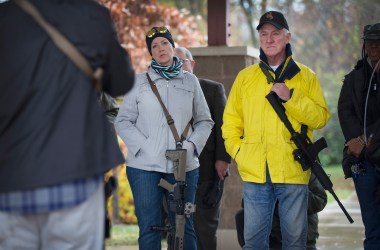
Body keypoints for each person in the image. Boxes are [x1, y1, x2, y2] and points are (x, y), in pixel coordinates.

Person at [0, 0, 135, 249]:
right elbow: (122, 81)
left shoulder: (4, 17)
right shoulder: (91, 15)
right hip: (75, 176)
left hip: (9, 180)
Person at [222, 10, 330, 249]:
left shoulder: (305, 77)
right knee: (253, 243)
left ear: (287, 37)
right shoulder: (245, 78)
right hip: (256, 174)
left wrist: (291, 97)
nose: (269, 39)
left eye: (276, 34)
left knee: (294, 243)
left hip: (292, 171)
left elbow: (320, 117)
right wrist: (240, 153)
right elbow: (230, 123)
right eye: (264, 34)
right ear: (259, 39)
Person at [115, 27, 214, 249]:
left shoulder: (190, 82)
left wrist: (191, 147)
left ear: (172, 46)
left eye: (164, 43)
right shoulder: (138, 82)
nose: (160, 48)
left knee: (184, 224)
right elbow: (122, 121)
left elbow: (205, 121)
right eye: (155, 46)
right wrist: (145, 147)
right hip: (144, 167)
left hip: (184, 166)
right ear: (150, 53)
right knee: (149, 228)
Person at [175, 47, 232, 250]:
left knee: (204, 227)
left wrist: (223, 159)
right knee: (177, 228)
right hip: (174, 172)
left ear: (192, 64)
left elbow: (225, 126)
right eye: (173, 62)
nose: (178, 66)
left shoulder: (212, 89)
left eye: (182, 61)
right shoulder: (163, 92)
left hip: (207, 171)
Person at [338, 23, 380, 249]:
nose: (374, 45)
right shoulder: (355, 77)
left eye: (379, 41)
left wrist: (367, 140)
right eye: (370, 41)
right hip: (364, 163)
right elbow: (345, 111)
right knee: (372, 227)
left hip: (372, 149)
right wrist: (358, 142)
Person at [235, 173, 327, 249]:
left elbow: (320, 200)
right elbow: (246, 203)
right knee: (241, 216)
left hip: (302, 235)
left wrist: (294, 192)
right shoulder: (263, 168)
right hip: (273, 235)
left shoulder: (306, 166)